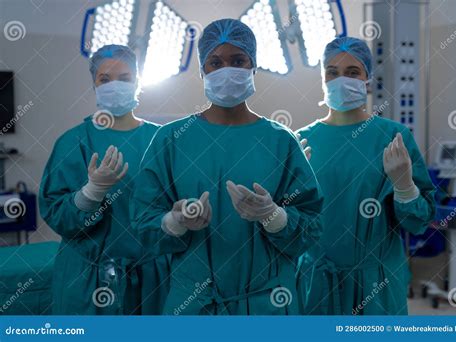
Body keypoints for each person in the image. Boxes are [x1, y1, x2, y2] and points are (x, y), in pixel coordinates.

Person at [131, 19, 324, 315]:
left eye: (238, 60)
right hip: (194, 306)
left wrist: (274, 216)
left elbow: (312, 225)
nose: (226, 70)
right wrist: (174, 221)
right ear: (202, 71)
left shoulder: (281, 140)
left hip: (267, 307)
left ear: (253, 66)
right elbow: (143, 222)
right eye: (215, 62)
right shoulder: (170, 140)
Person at [296, 37, 435, 315]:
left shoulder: (394, 137)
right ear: (322, 79)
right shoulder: (301, 141)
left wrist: (405, 187)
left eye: (352, 72)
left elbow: (418, 221)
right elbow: (291, 226)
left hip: (377, 286)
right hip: (316, 284)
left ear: (367, 79)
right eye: (332, 72)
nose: (341, 79)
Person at [39, 44, 169, 314]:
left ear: (138, 81)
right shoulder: (73, 141)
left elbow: (175, 204)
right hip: (88, 280)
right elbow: (55, 213)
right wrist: (90, 193)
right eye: (105, 79)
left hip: (153, 279)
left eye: (124, 78)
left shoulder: (162, 140)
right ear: (94, 85)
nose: (115, 86)